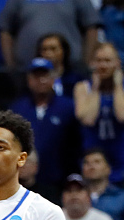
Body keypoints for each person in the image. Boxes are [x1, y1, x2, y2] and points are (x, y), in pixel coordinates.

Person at [10, 58, 79, 200]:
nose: (40, 80)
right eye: (36, 76)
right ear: (29, 79)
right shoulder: (18, 108)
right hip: (25, 182)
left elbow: (75, 143)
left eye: (45, 75)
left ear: (53, 79)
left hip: (58, 180)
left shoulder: (67, 107)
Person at [75, 43, 124, 182]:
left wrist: (118, 86)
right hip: (94, 162)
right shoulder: (83, 88)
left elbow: (123, 116)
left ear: (117, 63)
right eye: (99, 61)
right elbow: (88, 119)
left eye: (107, 61)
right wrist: (95, 88)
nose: (103, 65)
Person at [82, 148, 124, 220]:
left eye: (97, 162)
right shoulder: (74, 197)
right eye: (87, 163)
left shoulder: (123, 198)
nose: (91, 166)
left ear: (108, 169)